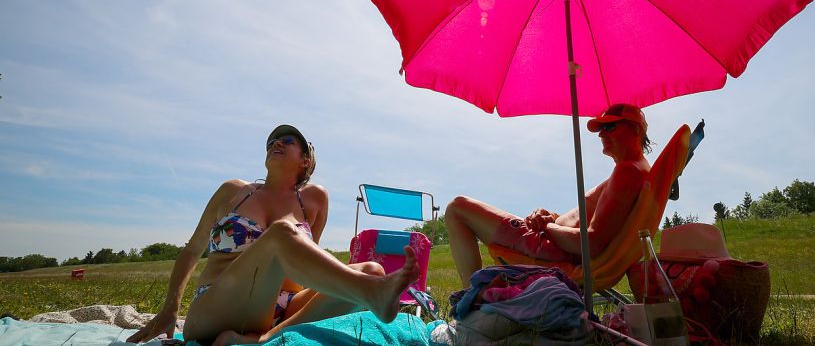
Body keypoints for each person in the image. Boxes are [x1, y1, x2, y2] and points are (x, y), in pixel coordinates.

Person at [127, 124, 419, 345]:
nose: (276, 142)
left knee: (372, 269)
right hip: (218, 305)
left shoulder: (314, 200)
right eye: (271, 141)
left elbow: (306, 266)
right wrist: (169, 308)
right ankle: (370, 293)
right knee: (282, 233)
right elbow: (192, 251)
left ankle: (267, 339)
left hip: (283, 310)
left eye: (287, 140)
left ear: (305, 160)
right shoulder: (234, 192)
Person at [444, 103, 653, 287]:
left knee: (458, 208)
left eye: (609, 126)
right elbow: (584, 222)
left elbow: (592, 243)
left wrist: (546, 227)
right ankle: (473, 296)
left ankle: (469, 298)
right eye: (601, 128)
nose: (601, 134)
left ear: (635, 129)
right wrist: (551, 217)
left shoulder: (628, 171)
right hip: (553, 240)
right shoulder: (635, 171)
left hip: (550, 246)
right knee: (460, 207)